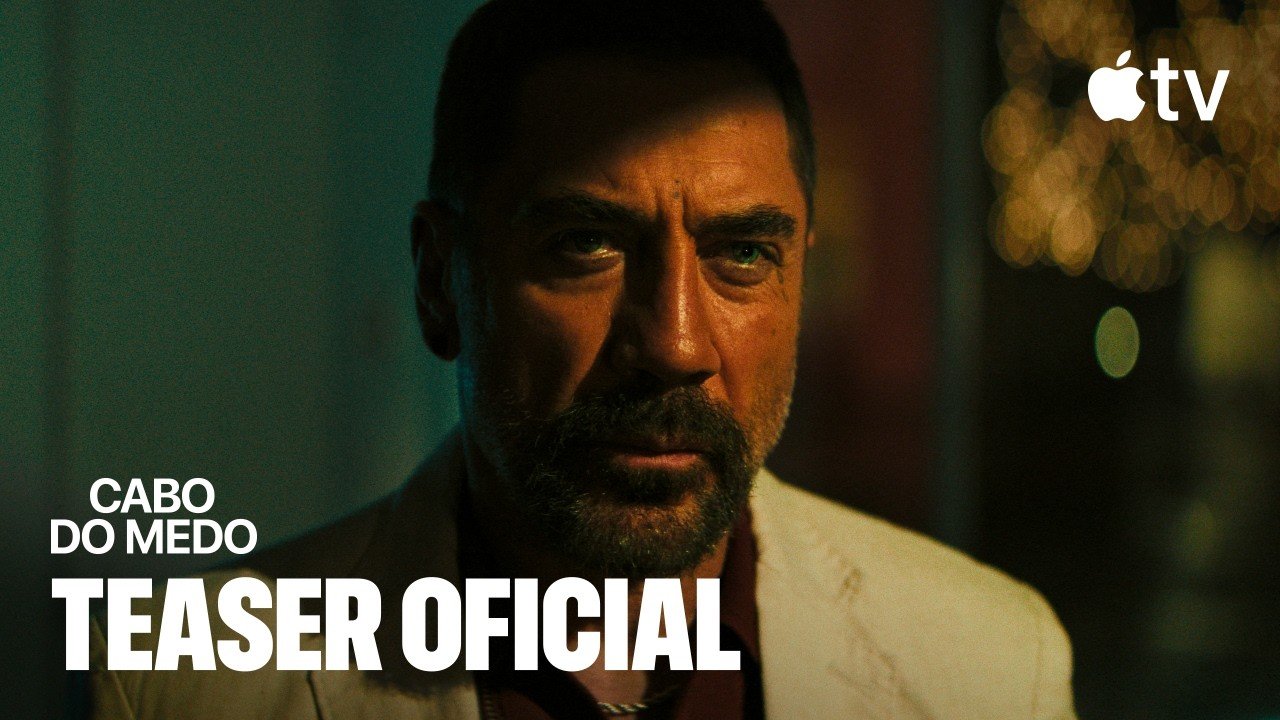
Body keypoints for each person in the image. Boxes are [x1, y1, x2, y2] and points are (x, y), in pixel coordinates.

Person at [86, 1, 1077, 718]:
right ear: (440, 283)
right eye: (586, 245)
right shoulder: (184, 682)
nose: (675, 344)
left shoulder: (991, 667)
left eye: (741, 254)